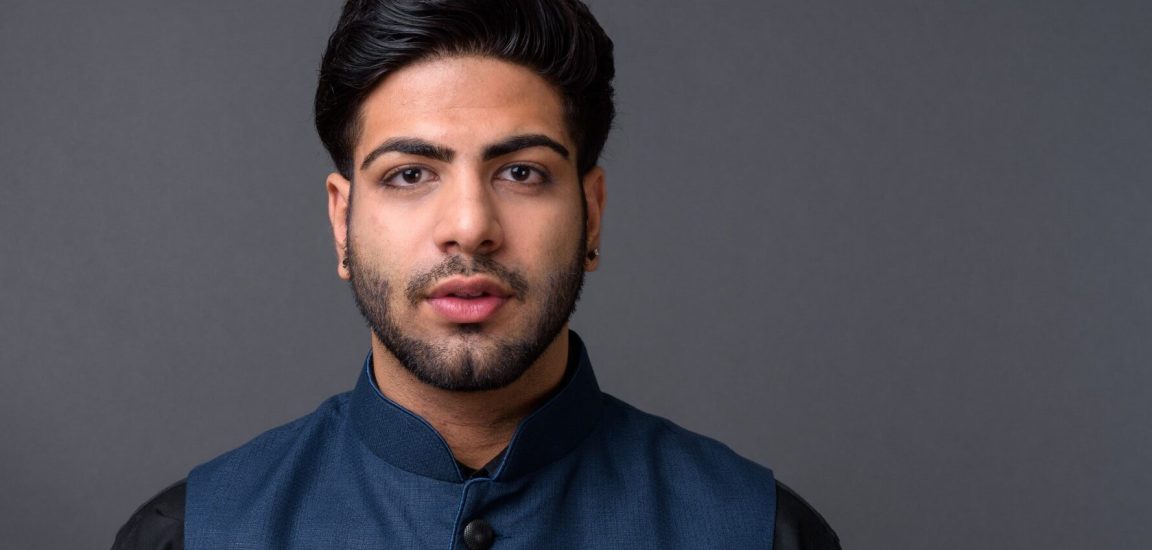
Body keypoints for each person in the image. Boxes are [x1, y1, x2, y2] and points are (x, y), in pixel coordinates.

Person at [113, 0, 840, 548]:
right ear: (342, 222)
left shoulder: (761, 531)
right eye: (409, 174)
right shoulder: (193, 534)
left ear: (592, 211)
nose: (469, 224)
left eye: (522, 172)